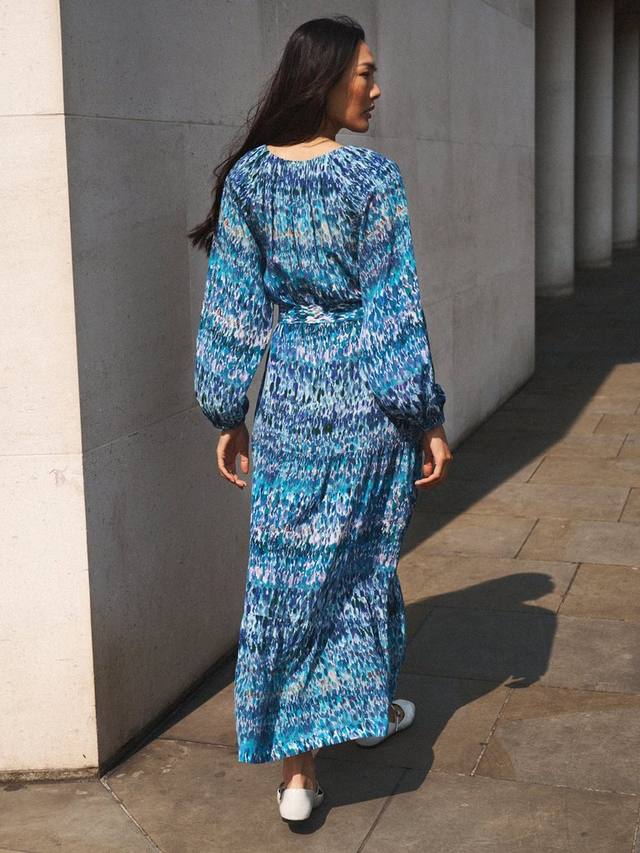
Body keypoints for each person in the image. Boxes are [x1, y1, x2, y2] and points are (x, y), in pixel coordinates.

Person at [189, 15, 453, 823]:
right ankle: (357, 712)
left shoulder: (250, 181)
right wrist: (426, 415)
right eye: (366, 74)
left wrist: (227, 409)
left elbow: (233, 308)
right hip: (367, 406)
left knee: (290, 577)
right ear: (328, 75)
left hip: (292, 406)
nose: (376, 89)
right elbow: (393, 314)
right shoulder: (372, 179)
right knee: (361, 567)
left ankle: (302, 771)